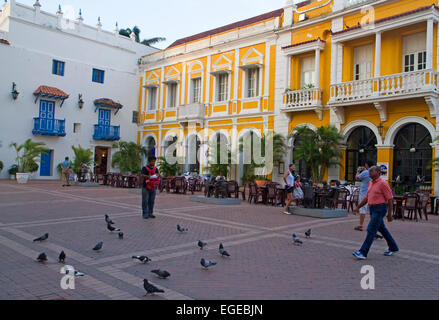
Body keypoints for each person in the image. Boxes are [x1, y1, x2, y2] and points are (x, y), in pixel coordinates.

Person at [352, 166, 399, 260]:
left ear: (378, 172)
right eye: (369, 171)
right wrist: (358, 207)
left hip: (380, 208)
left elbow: (390, 199)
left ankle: (363, 252)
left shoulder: (383, 184)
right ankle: (393, 247)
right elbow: (367, 197)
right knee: (382, 229)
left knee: (371, 229)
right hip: (372, 208)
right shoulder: (370, 183)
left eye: (371, 171)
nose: (369, 173)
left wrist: (389, 214)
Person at [354, 160, 374, 231]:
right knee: (372, 209)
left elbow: (357, 178)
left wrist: (358, 171)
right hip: (372, 192)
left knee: (363, 208)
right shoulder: (374, 172)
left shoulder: (366, 172)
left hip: (364, 192)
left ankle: (360, 225)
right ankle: (373, 226)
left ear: (366, 165)